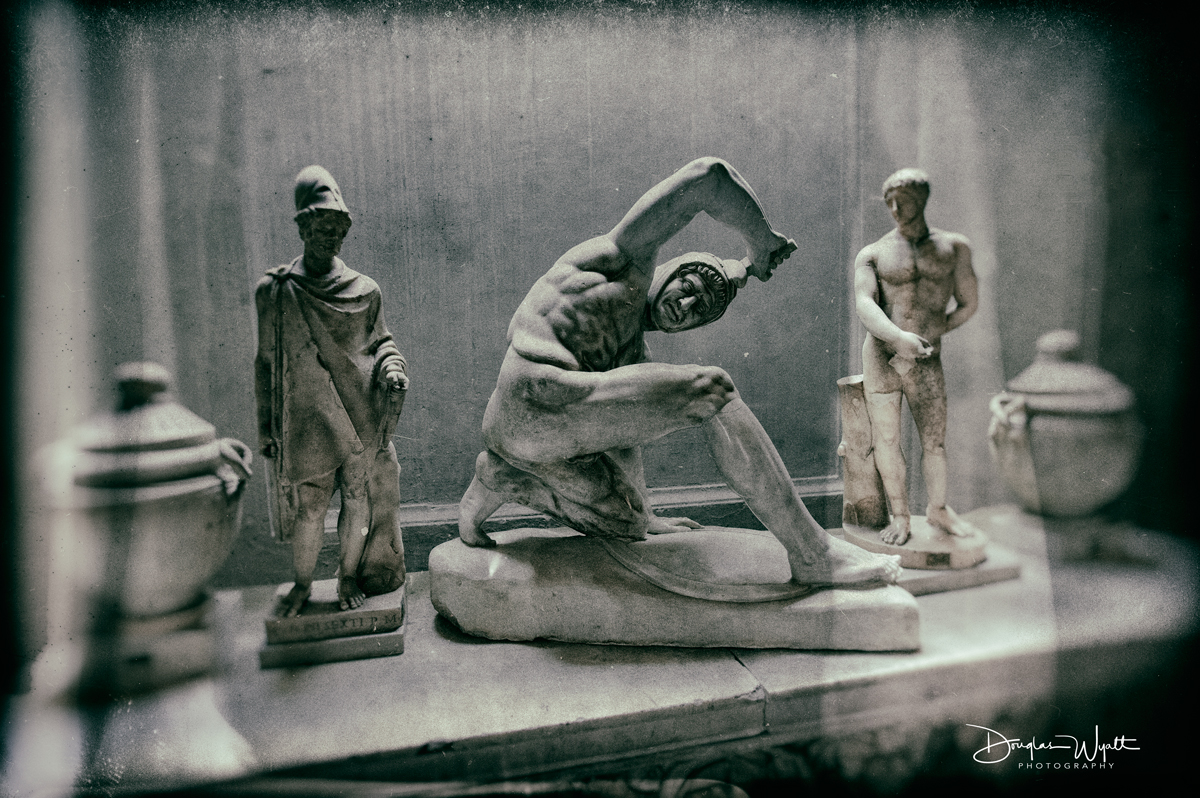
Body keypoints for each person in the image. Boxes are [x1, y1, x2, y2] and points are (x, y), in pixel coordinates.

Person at [458, 157, 901, 587]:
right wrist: (760, 242)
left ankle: (501, 477)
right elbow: (709, 176)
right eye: (687, 287)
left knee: (628, 523)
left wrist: (646, 514)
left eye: (700, 309)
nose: (686, 305)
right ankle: (812, 553)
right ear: (668, 271)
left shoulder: (632, 356)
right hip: (534, 392)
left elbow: (623, 437)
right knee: (713, 389)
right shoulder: (620, 260)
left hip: (523, 434)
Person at [255, 165, 409, 617]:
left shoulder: (366, 290)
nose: (333, 238)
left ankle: (346, 576)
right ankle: (303, 584)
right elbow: (265, 363)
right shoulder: (276, 291)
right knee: (310, 508)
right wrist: (265, 427)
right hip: (307, 419)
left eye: (339, 229)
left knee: (358, 499)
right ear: (303, 226)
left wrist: (392, 367)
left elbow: (382, 343)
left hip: (360, 412)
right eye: (323, 228)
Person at [853, 168, 980, 545]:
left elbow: (969, 303)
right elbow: (864, 303)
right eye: (889, 202)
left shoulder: (954, 248)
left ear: (922, 199)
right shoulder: (873, 252)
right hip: (882, 357)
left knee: (934, 442)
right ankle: (900, 516)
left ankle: (938, 509)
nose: (895, 209)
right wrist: (897, 336)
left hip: (925, 360)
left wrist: (932, 333)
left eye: (903, 201)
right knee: (887, 439)